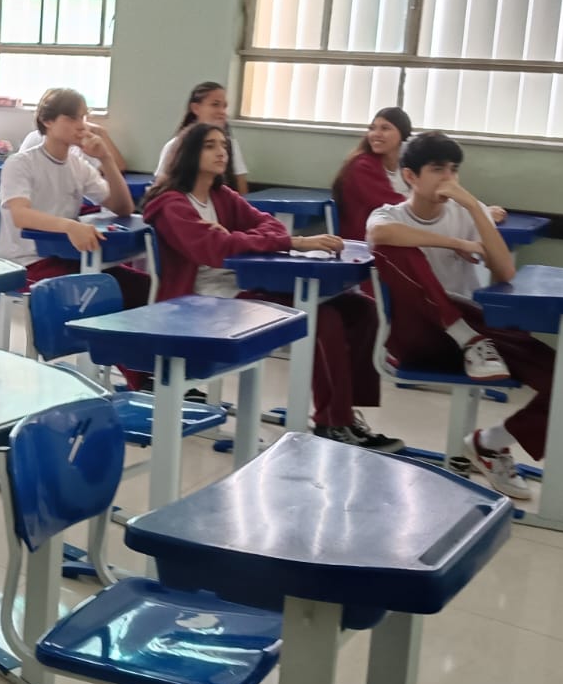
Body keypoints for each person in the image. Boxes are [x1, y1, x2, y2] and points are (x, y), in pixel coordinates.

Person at [367, 131, 563, 497]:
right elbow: (379, 234)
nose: (449, 178)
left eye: (454, 169)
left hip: (481, 336)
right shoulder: (389, 214)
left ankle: (489, 444)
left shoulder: (465, 210)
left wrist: (475, 209)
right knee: (396, 248)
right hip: (420, 336)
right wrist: (456, 242)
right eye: (438, 169)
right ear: (410, 176)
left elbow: (505, 272)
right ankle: (465, 337)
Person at [144, 122, 399, 451]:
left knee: (360, 308)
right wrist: (291, 241)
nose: (221, 152)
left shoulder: (222, 196)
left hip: (242, 283)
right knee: (322, 320)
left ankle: (346, 414)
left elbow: (269, 225)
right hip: (203, 300)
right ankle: (331, 423)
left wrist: (242, 238)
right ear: (189, 153)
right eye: (210, 145)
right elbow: (216, 249)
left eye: (223, 145)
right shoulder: (171, 204)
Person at [0, 88, 148, 306]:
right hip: (27, 264)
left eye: (83, 117)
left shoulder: (78, 165)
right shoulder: (21, 163)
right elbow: (21, 216)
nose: (81, 125)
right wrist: (70, 226)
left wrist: (106, 158)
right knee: (103, 294)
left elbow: (123, 208)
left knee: (145, 287)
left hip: (67, 257)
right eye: (72, 118)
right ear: (47, 121)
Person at [334, 108, 505, 241]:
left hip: (406, 233)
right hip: (369, 242)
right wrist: (479, 214)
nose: (375, 134)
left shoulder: (406, 163)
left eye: (385, 128)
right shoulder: (362, 166)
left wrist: (476, 211)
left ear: (402, 134)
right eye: (372, 128)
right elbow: (398, 208)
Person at [153, 81, 249, 193]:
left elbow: (241, 186)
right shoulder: (175, 145)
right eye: (215, 105)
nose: (222, 112)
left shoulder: (231, 144)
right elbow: (161, 186)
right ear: (195, 108)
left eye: (224, 106)